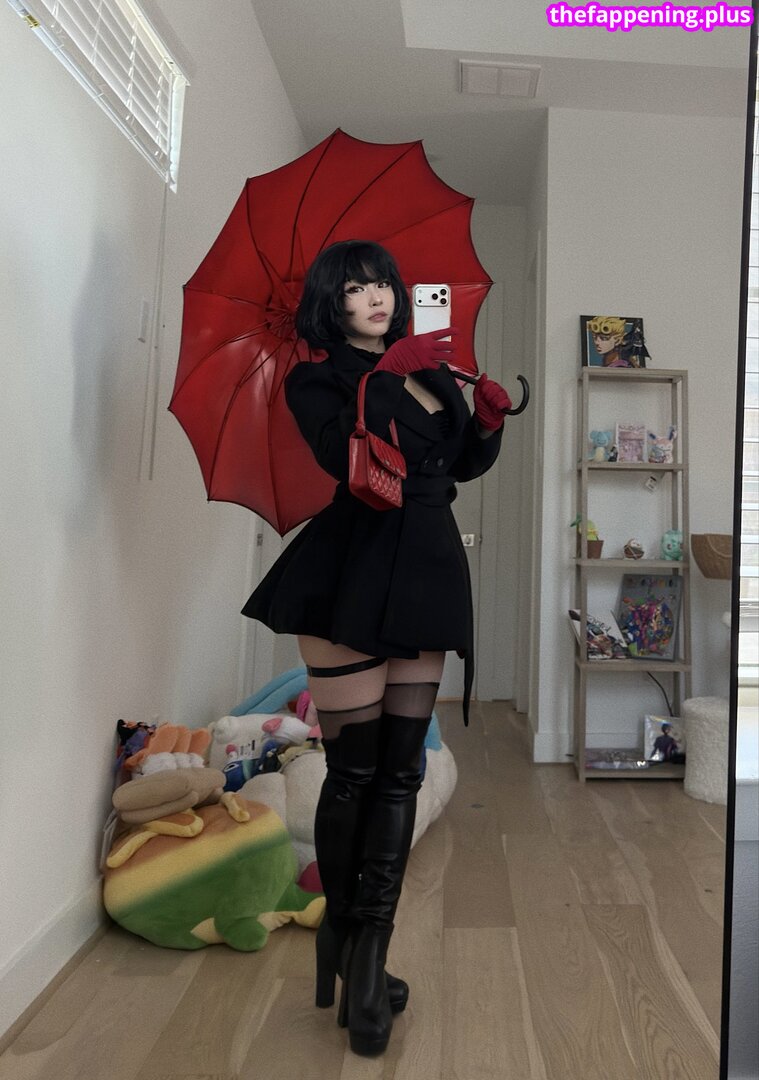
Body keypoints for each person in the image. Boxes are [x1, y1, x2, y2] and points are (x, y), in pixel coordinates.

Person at [241, 239, 510, 1057]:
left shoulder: (432, 368)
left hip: (427, 565)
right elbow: (342, 453)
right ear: (333, 304)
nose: (376, 297)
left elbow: (456, 463)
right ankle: (348, 942)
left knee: (402, 772)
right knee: (352, 771)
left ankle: (365, 956)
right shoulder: (316, 378)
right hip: (350, 565)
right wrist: (387, 373)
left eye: (382, 284)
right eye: (356, 289)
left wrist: (485, 417)